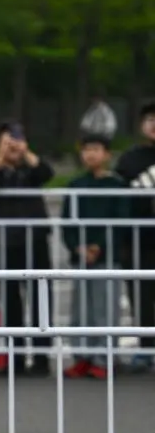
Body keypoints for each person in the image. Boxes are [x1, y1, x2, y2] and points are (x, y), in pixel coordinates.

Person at [0, 120, 55, 377]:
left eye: (16, 140)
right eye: (6, 141)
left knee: (40, 298)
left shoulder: (30, 171)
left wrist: (26, 153)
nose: (12, 146)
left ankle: (42, 357)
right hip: (3, 243)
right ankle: (16, 358)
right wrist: (1, 158)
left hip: (35, 240)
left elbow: (47, 173)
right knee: (10, 302)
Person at [62, 134, 126, 380]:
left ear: (107, 154)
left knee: (105, 309)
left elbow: (121, 221)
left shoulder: (117, 185)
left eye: (96, 149)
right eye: (86, 149)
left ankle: (104, 357)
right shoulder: (76, 184)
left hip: (107, 257)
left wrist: (98, 246)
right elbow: (67, 221)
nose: (91, 154)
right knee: (80, 310)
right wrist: (77, 247)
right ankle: (81, 356)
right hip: (80, 258)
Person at [112, 101, 155, 371]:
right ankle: (146, 349)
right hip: (139, 240)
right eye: (149, 119)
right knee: (141, 296)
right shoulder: (130, 159)